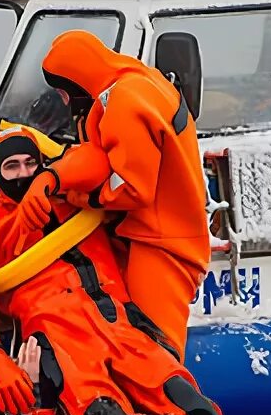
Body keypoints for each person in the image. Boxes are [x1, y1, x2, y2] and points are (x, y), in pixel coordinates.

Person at [0, 128, 228, 415]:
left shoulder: (74, 196)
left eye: (30, 163)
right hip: (62, 344)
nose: (23, 173)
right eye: (11, 166)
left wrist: (49, 180)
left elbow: (99, 158)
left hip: (123, 328)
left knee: (196, 410)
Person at [17, 30, 210, 363]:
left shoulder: (124, 101)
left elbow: (132, 187)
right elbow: (105, 155)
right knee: (140, 344)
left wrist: (81, 198)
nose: (64, 102)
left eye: (63, 92)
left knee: (157, 354)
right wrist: (59, 173)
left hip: (161, 244)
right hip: (157, 235)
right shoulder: (139, 80)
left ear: (76, 81)